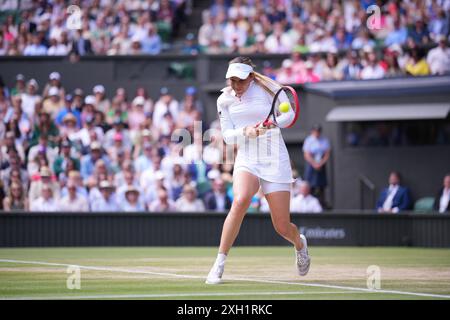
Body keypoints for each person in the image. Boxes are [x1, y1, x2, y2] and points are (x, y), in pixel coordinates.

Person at [205, 56, 310, 285]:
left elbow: (288, 114)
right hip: (247, 158)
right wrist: (246, 132)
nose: (235, 85)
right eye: (231, 80)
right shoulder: (224, 99)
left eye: (240, 81)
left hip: (274, 159)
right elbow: (226, 135)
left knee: (282, 226)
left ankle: (299, 244)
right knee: (240, 200)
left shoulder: (271, 88)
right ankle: (219, 264)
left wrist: (273, 123)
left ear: (250, 77)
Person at [303, 124, 330, 207]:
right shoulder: (308, 140)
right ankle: (308, 203)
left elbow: (326, 154)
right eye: (315, 131)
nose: (317, 133)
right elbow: (306, 154)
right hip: (311, 165)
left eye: (318, 131)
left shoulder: (324, 140)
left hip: (321, 165)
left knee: (321, 186)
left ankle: (322, 204)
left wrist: (321, 163)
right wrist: (314, 163)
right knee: (310, 185)